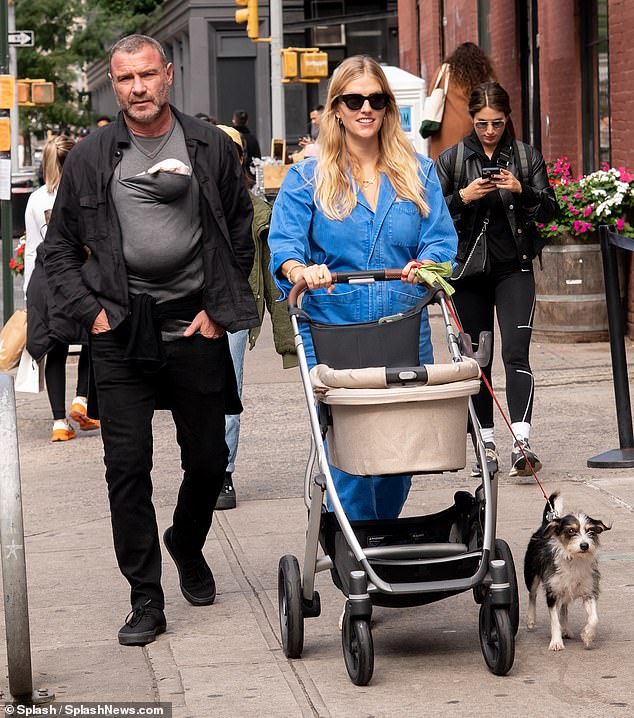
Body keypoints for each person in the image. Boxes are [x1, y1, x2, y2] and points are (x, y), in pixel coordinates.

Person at [44, 34, 258, 646]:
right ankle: (146, 596)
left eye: (145, 76)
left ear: (167, 76)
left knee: (210, 462)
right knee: (126, 468)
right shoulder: (91, 156)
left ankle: (185, 543)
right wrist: (93, 315)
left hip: (194, 322)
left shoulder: (210, 146)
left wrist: (218, 311)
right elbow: (57, 251)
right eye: (123, 79)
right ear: (114, 86)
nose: (136, 88)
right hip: (120, 329)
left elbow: (240, 232)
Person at [268, 55, 458, 522]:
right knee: (351, 453)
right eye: (354, 100)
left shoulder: (419, 172)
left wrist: (429, 264)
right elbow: (285, 245)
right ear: (336, 109)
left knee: (399, 453)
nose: (365, 108)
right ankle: (354, 543)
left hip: (402, 324)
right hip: (334, 330)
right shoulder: (306, 178)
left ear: (388, 107)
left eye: (375, 99)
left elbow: (440, 237)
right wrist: (300, 270)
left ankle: (378, 535)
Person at [435, 81, 559, 479]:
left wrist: (521, 189)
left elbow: (551, 212)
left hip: (514, 269)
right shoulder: (453, 159)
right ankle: (484, 443)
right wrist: (464, 196)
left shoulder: (524, 156)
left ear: (508, 120)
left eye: (498, 123)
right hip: (467, 273)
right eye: (483, 123)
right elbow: (429, 215)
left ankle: (521, 444)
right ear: (471, 119)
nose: (490, 131)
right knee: (478, 362)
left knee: (516, 352)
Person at [214, 125, 296, 510]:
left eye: (230, 152)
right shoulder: (184, 200)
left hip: (233, 311)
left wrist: (288, 339)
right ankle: (200, 466)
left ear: (242, 158)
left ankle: (223, 474)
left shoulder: (257, 210)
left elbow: (273, 277)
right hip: (186, 310)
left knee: (228, 392)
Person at [24, 134, 100, 441]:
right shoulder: (83, 194)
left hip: (45, 279)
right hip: (79, 274)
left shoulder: (36, 200)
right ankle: (82, 400)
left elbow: (31, 248)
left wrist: (32, 292)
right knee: (94, 334)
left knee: (55, 347)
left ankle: (59, 423)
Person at [425, 42, 495, 162]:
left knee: (444, 167)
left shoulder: (445, 71)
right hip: (472, 129)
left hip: (445, 133)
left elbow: (432, 92)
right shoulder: (481, 74)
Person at [231, 109, 261, 174]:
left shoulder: (229, 137)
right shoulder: (252, 139)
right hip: (250, 175)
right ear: (247, 122)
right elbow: (257, 159)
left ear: (233, 121)